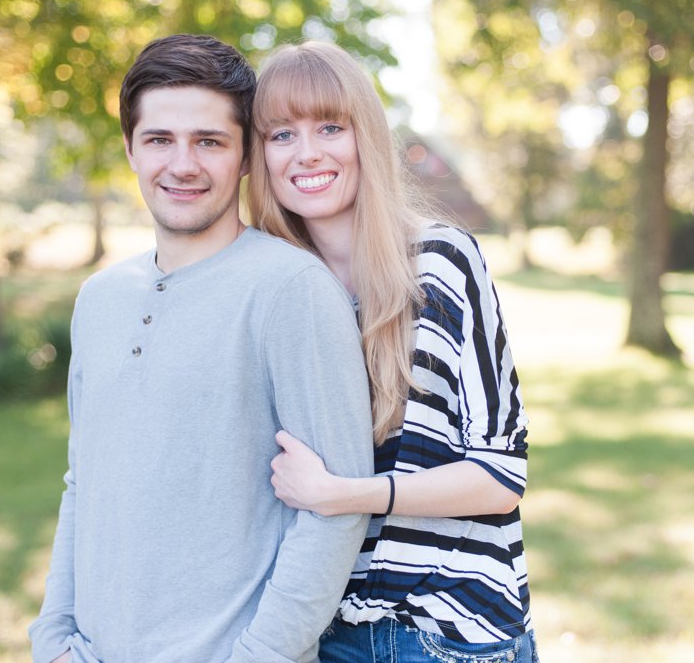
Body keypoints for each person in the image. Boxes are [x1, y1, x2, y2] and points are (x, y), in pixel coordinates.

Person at [28, 34, 375, 663]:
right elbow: (84, 485)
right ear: (130, 148)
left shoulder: (292, 290)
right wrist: (53, 638)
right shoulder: (99, 298)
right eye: (159, 139)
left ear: (244, 156)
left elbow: (336, 510)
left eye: (209, 142)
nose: (182, 165)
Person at [248, 40, 537, 663]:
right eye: (281, 134)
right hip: (316, 632)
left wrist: (347, 493)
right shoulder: (270, 294)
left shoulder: (440, 263)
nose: (307, 152)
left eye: (330, 127)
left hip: (446, 633)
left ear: (367, 137)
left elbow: (500, 476)